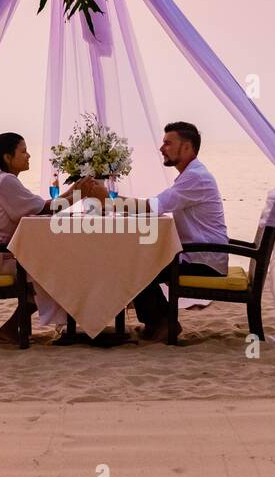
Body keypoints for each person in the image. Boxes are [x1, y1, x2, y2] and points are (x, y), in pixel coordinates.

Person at [82, 121, 228, 342]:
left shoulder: (196, 177)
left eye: (168, 143)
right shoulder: (192, 175)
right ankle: (158, 321)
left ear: (187, 148)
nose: (161, 148)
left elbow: (155, 206)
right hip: (199, 254)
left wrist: (109, 200)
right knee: (136, 258)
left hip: (204, 260)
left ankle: (163, 323)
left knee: (134, 264)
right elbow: (157, 206)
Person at [0, 133, 92, 343]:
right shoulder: (7, 182)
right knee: (49, 270)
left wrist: (74, 194)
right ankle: (56, 326)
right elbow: (43, 209)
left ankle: (14, 327)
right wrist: (75, 194)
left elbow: (39, 209)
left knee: (50, 266)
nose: (29, 155)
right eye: (24, 151)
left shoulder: (6, 181)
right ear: (8, 157)